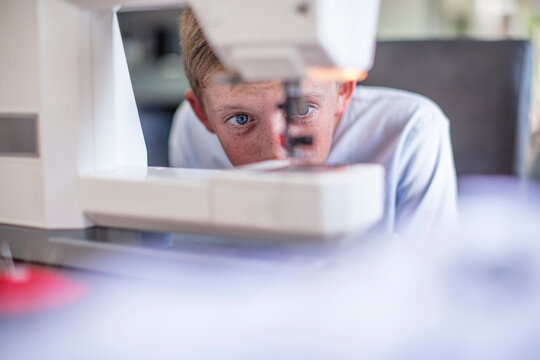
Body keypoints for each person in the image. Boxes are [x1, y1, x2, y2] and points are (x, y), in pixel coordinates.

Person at [169, 8, 458, 236]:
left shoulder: (412, 131)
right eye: (240, 119)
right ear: (203, 114)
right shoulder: (191, 132)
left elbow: (430, 284)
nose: (277, 153)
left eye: (302, 108)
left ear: (343, 89)